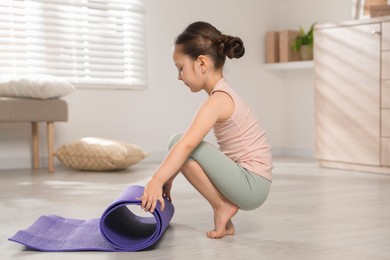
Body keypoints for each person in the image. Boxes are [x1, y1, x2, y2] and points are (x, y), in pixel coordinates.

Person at [140, 21, 272, 239]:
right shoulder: (221, 94)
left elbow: (187, 145)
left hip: (252, 185)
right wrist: (168, 176)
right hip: (251, 182)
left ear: (201, 63)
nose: (179, 76)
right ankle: (222, 208)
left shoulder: (219, 100)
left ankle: (222, 206)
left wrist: (157, 180)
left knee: (179, 141)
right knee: (180, 145)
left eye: (180, 68)